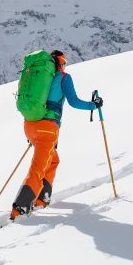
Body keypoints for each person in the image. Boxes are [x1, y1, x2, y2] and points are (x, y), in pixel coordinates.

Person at [10, 50, 101, 220]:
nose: (65, 65)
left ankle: (41, 199)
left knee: (52, 160)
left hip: (30, 125)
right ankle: (20, 210)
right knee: (38, 168)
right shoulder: (63, 77)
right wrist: (93, 106)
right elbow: (74, 102)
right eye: (64, 62)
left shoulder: (41, 76)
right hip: (47, 129)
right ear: (60, 63)